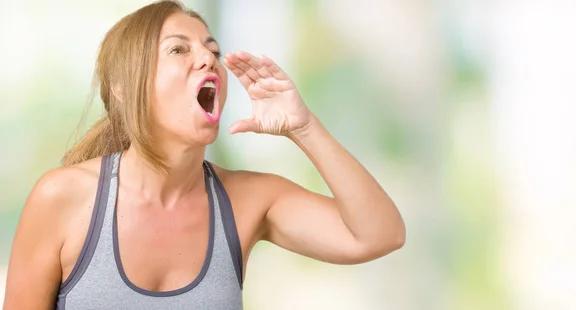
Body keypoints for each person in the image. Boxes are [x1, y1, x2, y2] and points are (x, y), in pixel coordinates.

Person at [3, 1, 406, 309]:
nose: (207, 57)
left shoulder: (248, 200)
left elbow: (379, 234)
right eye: (178, 50)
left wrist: (304, 128)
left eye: (212, 49)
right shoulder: (64, 198)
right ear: (124, 87)